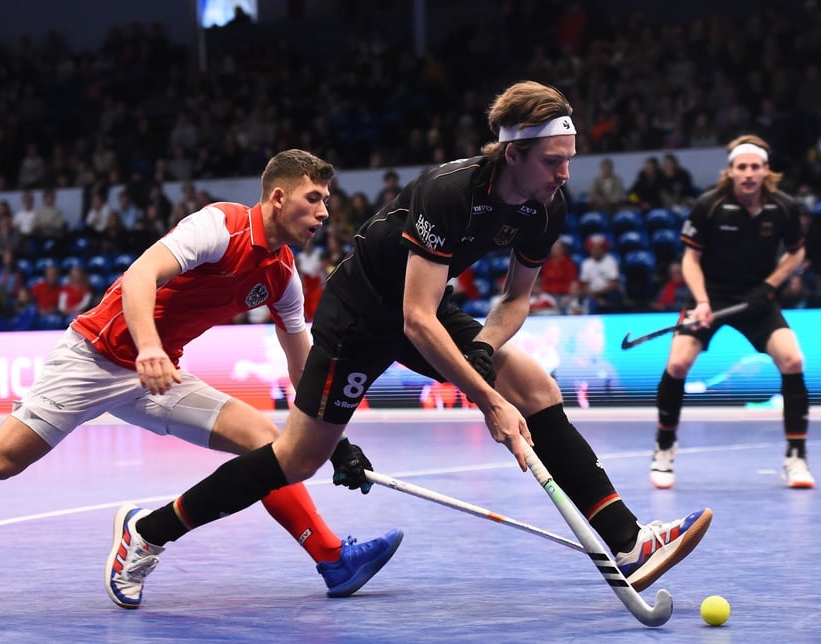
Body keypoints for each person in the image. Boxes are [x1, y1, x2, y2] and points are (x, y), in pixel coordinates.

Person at [102, 81, 712, 604]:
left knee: (532, 385)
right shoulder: (447, 193)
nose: (565, 173)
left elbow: (515, 299)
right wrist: (487, 400)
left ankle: (629, 542)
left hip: (422, 306)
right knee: (296, 459)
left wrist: (484, 356)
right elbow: (416, 320)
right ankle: (150, 530)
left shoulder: (544, 205)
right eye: (553, 160)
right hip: (360, 315)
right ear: (514, 152)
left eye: (568, 158)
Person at [0, 150, 402, 610]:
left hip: (157, 374)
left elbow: (305, 367)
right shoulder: (219, 226)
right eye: (315, 199)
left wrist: (333, 441)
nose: (325, 212)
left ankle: (331, 557)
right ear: (278, 197)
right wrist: (146, 346)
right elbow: (142, 275)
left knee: (269, 446)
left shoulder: (283, 277)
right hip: (95, 356)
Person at [650, 134, 813, 490]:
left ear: (766, 171)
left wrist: (770, 287)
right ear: (731, 172)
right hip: (709, 296)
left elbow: (796, 253)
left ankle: (796, 457)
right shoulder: (709, 205)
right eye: (742, 167)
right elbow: (690, 259)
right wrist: (703, 302)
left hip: (758, 298)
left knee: (793, 360)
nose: (749, 173)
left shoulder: (784, 207)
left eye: (755, 166)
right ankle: (664, 449)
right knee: (677, 363)